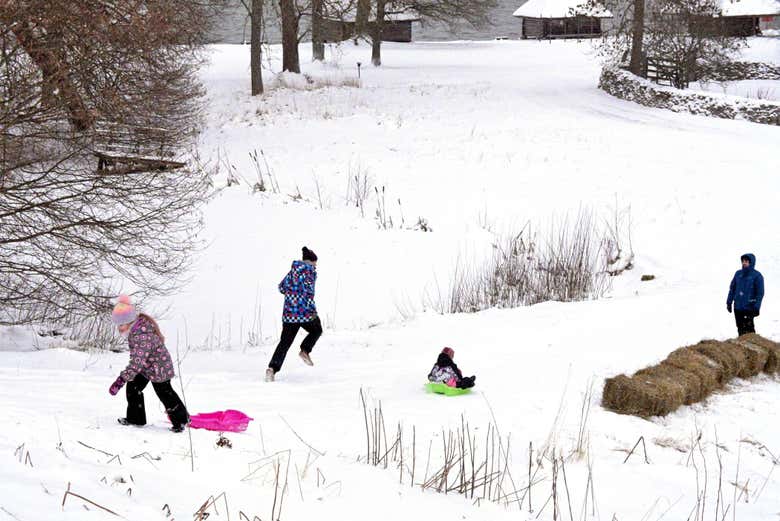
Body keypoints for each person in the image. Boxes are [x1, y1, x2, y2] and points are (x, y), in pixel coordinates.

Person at [108, 295, 190, 432]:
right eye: (118, 325)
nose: (119, 329)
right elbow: (138, 361)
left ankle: (181, 420)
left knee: (165, 393)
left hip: (159, 368)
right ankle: (136, 418)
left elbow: (135, 364)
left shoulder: (141, 335)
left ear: (129, 322)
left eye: (121, 325)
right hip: (147, 366)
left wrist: (120, 380)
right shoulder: (136, 329)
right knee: (133, 386)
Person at [266, 247, 322, 382]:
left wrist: (292, 295)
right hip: (304, 313)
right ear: (310, 262)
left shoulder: (292, 272)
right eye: (315, 263)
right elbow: (308, 294)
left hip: (289, 314)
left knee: (284, 343)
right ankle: (305, 350)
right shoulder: (310, 273)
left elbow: (281, 288)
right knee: (317, 330)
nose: (315, 266)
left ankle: (272, 369)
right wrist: (312, 310)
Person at [727, 253, 764, 336]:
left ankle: (753, 347)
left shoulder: (757, 276)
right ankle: (743, 348)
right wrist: (729, 302)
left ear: (751, 262)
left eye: (746, 261)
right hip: (738, 307)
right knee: (740, 328)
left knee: (749, 330)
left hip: (749, 308)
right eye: (743, 261)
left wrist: (756, 307)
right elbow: (732, 289)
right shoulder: (738, 274)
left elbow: (760, 293)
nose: (744, 263)